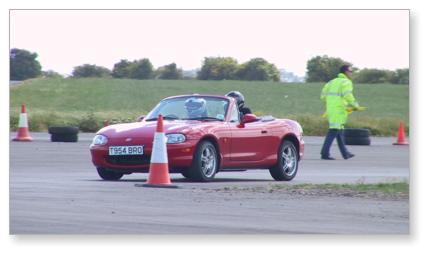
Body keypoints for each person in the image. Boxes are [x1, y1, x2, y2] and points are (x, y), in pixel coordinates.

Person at [320, 65, 359, 160]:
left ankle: (345, 153)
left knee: (339, 131)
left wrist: (331, 103)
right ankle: (324, 153)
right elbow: (348, 95)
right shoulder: (346, 82)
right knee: (333, 131)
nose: (351, 73)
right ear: (345, 71)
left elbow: (322, 97)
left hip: (331, 109)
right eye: (350, 71)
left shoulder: (331, 82)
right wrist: (355, 105)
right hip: (339, 110)